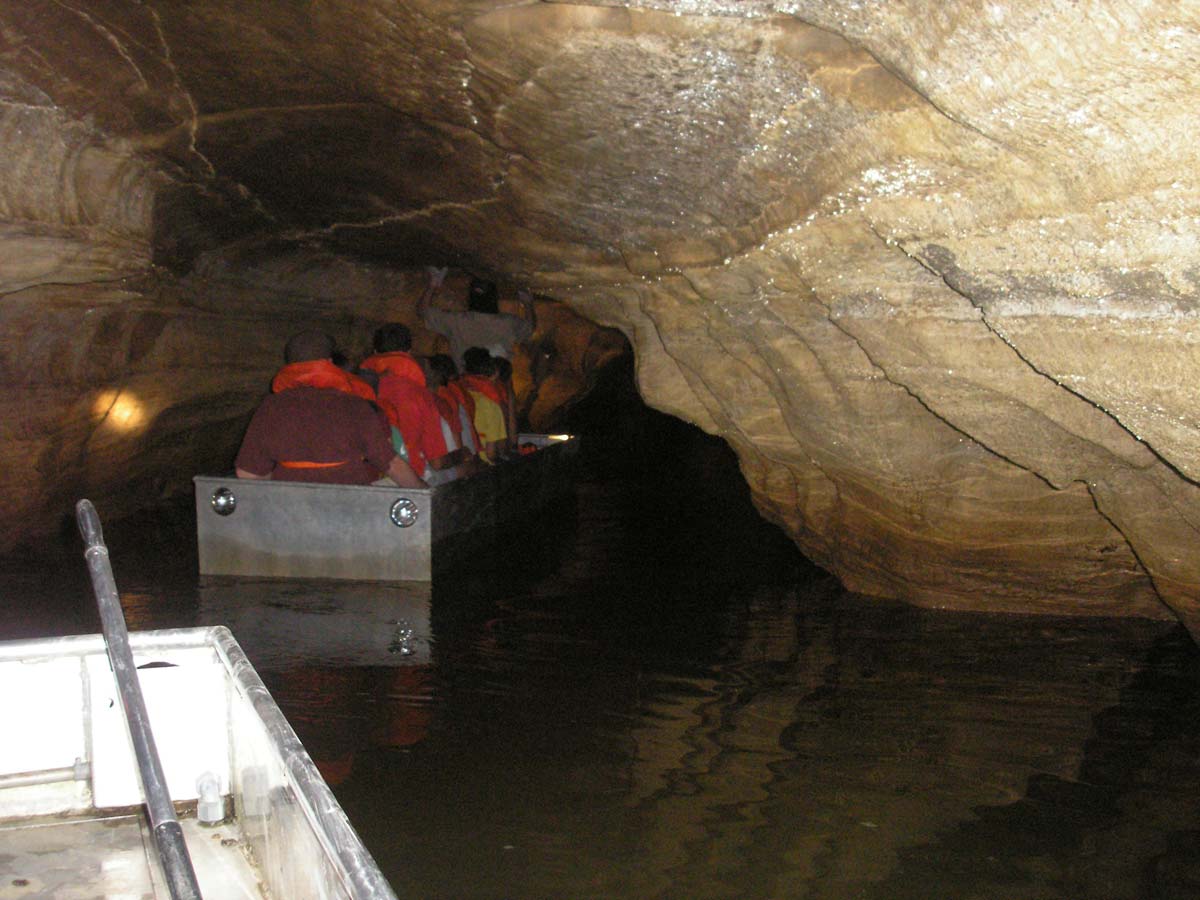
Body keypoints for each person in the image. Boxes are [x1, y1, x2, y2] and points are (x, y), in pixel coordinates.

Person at [236, 330, 424, 487]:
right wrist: (423, 492)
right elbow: (391, 465)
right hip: (350, 509)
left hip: (290, 510)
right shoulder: (355, 405)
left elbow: (247, 474)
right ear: (330, 363)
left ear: (289, 365)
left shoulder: (271, 407)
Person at [360, 323, 472, 484]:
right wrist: (464, 454)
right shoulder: (420, 395)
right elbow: (437, 462)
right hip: (409, 479)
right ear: (409, 352)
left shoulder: (356, 387)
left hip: (366, 478)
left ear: (375, 352)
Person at [418, 267, 536, 368]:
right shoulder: (508, 323)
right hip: (496, 384)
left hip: (464, 382)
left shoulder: (456, 321)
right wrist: (528, 304)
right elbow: (529, 329)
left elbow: (423, 312)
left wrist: (433, 285)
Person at [458, 347, 508, 463]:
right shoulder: (490, 405)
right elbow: (491, 454)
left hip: (466, 464)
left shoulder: (458, 397)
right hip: (485, 466)